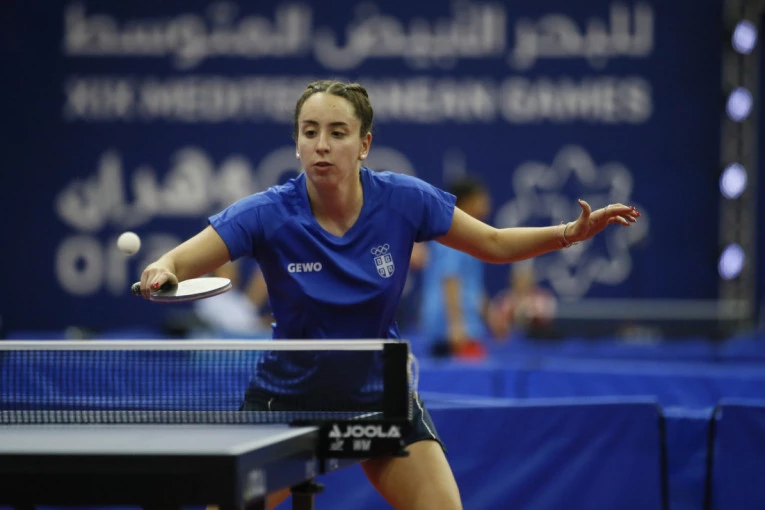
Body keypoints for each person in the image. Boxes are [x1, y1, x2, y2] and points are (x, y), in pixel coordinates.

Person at [138, 79, 641, 510]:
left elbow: (492, 243)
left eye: (338, 132)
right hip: (286, 401)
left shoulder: (404, 199)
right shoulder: (267, 212)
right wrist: (161, 271)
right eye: (310, 132)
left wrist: (569, 233)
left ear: (364, 144)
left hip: (378, 396)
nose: (321, 145)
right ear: (296, 143)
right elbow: (176, 262)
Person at [418, 177, 492, 359]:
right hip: (452, 330)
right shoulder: (452, 233)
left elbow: (472, 283)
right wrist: (456, 325)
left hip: (467, 325)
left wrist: (489, 316)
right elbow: (450, 278)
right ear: (467, 201)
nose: (487, 203)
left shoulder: (472, 235)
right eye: (481, 198)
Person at [487, 260, 558, 340]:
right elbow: (497, 323)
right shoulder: (504, 298)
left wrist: (528, 312)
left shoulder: (543, 297)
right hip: (510, 340)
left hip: (537, 340)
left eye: (524, 279)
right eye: (518, 279)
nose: (521, 283)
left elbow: (547, 321)